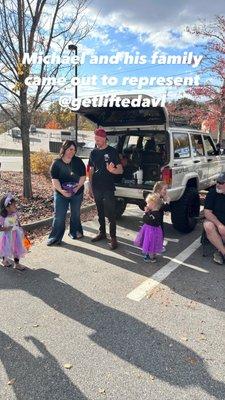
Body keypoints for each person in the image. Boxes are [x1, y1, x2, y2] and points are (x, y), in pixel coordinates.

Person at [88, 128, 123, 250]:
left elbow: (120, 169)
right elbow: (91, 170)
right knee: (99, 211)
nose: (96, 141)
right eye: (95, 139)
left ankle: (113, 237)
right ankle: (102, 232)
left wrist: (113, 170)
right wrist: (90, 186)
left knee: (111, 213)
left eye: (98, 139)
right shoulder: (93, 152)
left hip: (108, 187)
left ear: (104, 138)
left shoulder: (112, 152)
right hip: (96, 186)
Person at [47, 140, 86, 246]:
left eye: (74, 150)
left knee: (75, 214)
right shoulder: (57, 163)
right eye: (70, 149)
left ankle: (75, 232)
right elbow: (54, 179)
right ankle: (55, 238)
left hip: (76, 192)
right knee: (59, 216)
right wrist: (61, 191)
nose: (72, 152)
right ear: (64, 149)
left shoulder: (78, 161)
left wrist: (77, 187)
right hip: (61, 193)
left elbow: (83, 176)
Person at [134, 193, 163, 263]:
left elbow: (146, 220)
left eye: (148, 203)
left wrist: (145, 213)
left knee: (150, 242)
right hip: (154, 230)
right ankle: (151, 255)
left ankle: (151, 257)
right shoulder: (156, 212)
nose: (147, 205)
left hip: (150, 231)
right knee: (152, 243)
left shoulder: (154, 213)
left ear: (153, 204)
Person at [0, 194, 26, 270]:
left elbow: (17, 222)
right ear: (7, 207)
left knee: (17, 248)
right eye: (13, 205)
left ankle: (17, 264)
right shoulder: (2, 217)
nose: (15, 206)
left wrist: (21, 229)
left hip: (15, 234)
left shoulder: (15, 214)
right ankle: (4, 261)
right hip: (6, 236)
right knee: (5, 248)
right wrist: (4, 228)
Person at [203, 172, 225, 264]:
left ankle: (219, 252)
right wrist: (219, 225)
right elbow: (207, 212)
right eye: (217, 182)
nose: (218, 185)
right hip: (216, 221)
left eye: (221, 183)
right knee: (208, 226)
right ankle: (223, 252)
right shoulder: (212, 193)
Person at [153, 181, 170, 251]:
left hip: (156, 219)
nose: (166, 191)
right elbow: (164, 208)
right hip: (157, 220)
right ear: (158, 190)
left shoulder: (155, 196)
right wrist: (168, 202)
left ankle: (156, 245)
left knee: (158, 233)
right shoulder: (158, 198)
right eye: (164, 189)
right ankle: (158, 247)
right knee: (159, 233)